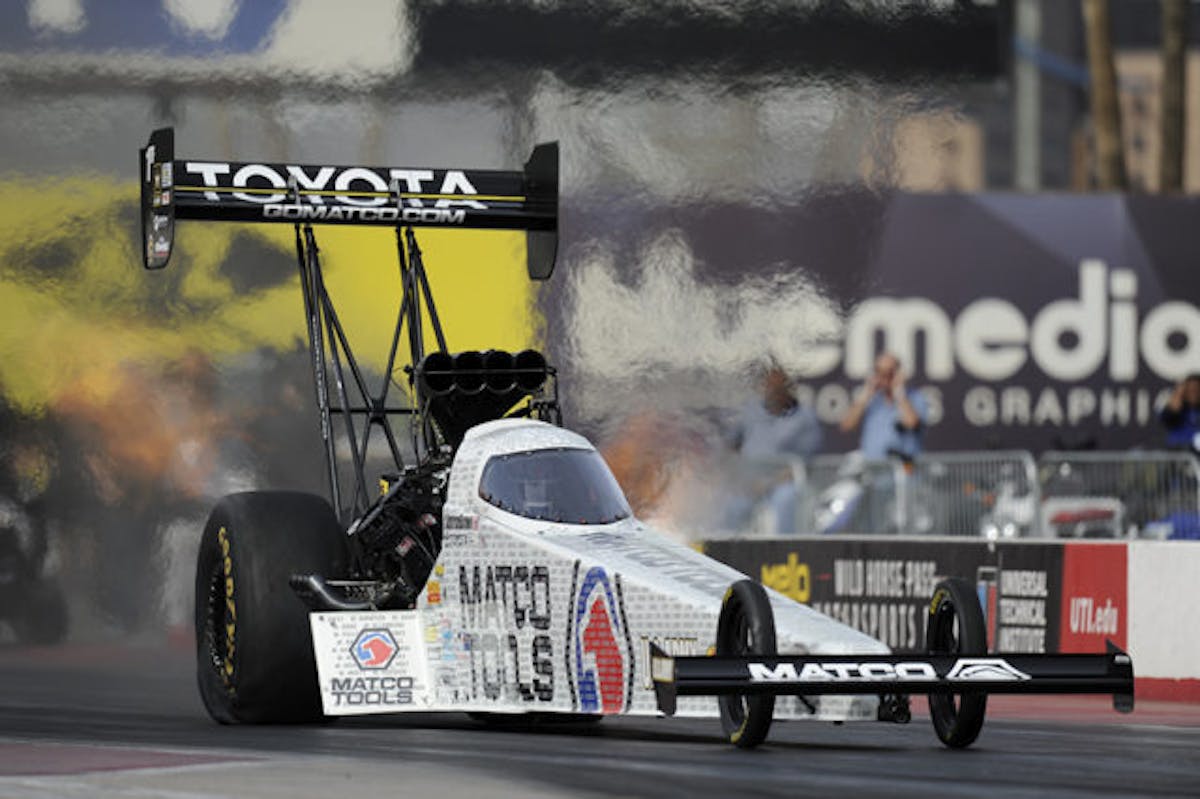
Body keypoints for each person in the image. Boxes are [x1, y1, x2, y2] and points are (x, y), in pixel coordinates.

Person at [722, 364, 823, 534]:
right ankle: (726, 553)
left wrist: (768, 484)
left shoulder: (805, 418)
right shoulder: (749, 410)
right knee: (733, 504)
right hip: (749, 483)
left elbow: (802, 463)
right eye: (768, 385)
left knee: (786, 500)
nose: (771, 390)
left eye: (777, 386)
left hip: (783, 483)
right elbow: (730, 447)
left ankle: (784, 552)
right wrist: (738, 477)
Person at [839, 352, 928, 460]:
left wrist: (899, 393)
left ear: (898, 373)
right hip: (873, 470)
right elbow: (847, 426)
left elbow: (912, 423)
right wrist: (866, 393)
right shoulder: (871, 400)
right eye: (879, 372)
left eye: (889, 372)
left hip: (904, 469)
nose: (884, 377)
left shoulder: (915, 397)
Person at [1159, 374, 1200, 455]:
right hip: (1178, 452)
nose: (1193, 392)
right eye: (1190, 389)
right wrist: (1179, 392)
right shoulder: (1180, 409)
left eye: (1196, 389)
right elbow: (1170, 414)